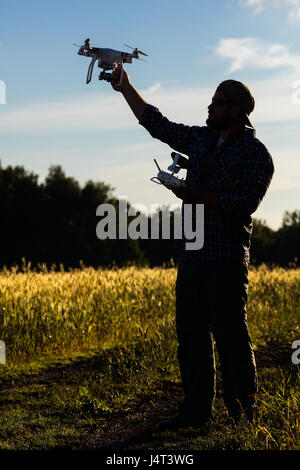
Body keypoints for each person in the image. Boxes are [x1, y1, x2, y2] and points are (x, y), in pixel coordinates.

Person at [111, 65, 274, 430]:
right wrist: (126, 88)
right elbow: (158, 124)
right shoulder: (199, 139)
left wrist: (197, 195)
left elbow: (245, 202)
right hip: (190, 254)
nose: (210, 106)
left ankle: (242, 415)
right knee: (190, 335)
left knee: (231, 334)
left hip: (227, 259)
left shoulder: (257, 154)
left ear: (237, 110)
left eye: (218, 102)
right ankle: (196, 412)